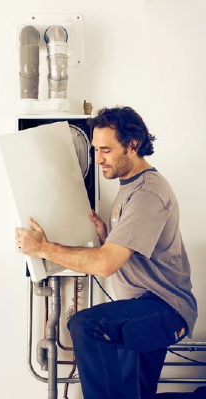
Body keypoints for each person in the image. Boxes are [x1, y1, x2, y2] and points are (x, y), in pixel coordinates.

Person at [15, 106, 198, 399]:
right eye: (95, 149)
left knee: (87, 324)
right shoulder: (129, 187)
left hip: (164, 308)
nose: (98, 158)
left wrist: (43, 248)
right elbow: (128, 250)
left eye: (106, 150)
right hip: (144, 309)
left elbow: (106, 265)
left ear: (132, 145)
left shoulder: (147, 193)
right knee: (139, 394)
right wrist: (107, 236)